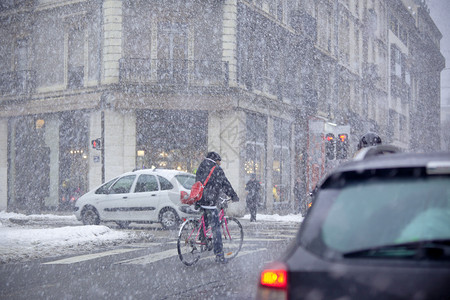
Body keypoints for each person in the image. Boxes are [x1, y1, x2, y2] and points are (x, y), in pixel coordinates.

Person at [195, 151, 239, 264]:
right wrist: (233, 195)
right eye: (219, 161)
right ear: (216, 160)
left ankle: (203, 237)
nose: (220, 164)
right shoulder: (216, 169)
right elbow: (225, 184)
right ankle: (219, 255)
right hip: (210, 201)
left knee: (205, 218)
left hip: (200, 199)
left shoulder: (202, 165)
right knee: (216, 229)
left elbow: (198, 181)